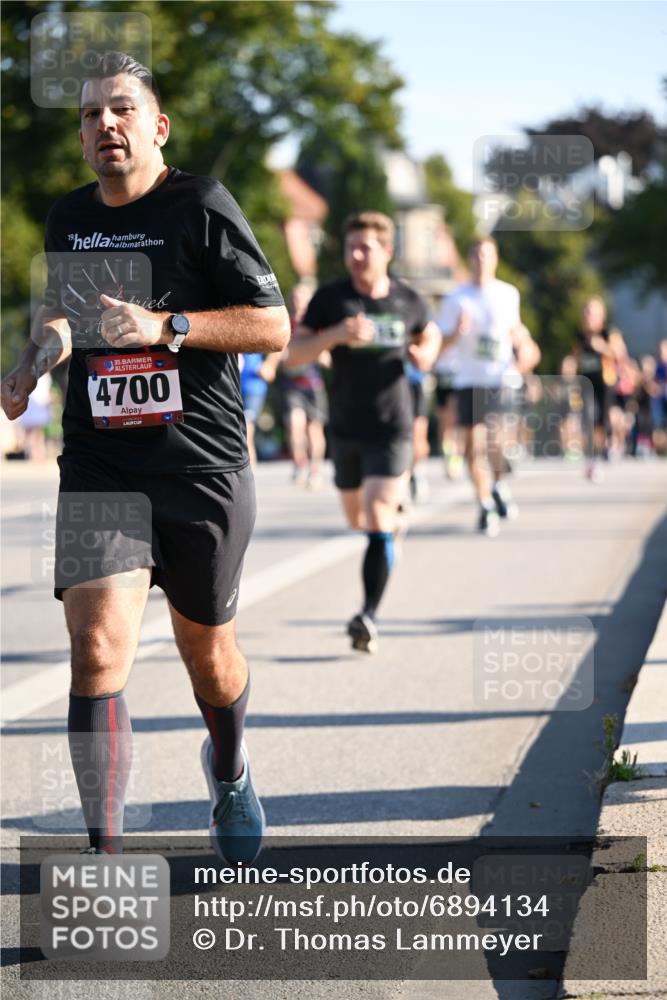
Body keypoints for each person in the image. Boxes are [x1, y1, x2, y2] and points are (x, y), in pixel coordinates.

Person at [0, 52, 290, 863]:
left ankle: (229, 768)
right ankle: (104, 859)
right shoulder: (70, 217)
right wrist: (31, 364)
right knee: (95, 652)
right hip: (103, 462)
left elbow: (272, 328)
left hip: (199, 465)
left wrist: (168, 328)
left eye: (120, 110)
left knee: (209, 655)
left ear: (157, 126)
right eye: (90, 115)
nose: (104, 126)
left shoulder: (200, 205)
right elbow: (65, 318)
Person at [286, 211, 441, 653]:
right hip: (346, 425)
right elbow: (295, 355)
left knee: (374, 515)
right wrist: (336, 334)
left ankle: (368, 615)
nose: (356, 255)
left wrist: (423, 353)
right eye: (351, 246)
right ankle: (392, 526)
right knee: (359, 519)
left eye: (366, 248)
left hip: (394, 426)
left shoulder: (408, 299)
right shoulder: (330, 300)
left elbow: (429, 336)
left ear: (387, 252)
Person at [437, 237, 539, 536]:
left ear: (495, 258)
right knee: (473, 447)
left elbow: (516, 332)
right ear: (469, 259)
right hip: (468, 379)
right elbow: (440, 345)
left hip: (500, 378)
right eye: (476, 254)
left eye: (487, 254)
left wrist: (523, 350)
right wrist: (456, 333)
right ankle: (484, 504)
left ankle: (497, 484)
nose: (481, 260)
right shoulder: (456, 298)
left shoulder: (508, 294)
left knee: (497, 444)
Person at [282, 281, 328, 489]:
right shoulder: (286, 324)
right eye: (295, 298)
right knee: (294, 423)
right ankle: (299, 463)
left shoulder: (316, 325)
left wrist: (316, 352)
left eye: (302, 299)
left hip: (313, 384)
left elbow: (328, 356)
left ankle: (315, 469)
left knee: (314, 429)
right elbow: (279, 351)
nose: (298, 302)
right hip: (292, 383)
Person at [572, 296, 617, 481]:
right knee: (588, 418)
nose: (588, 316)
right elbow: (575, 357)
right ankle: (592, 459)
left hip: (604, 383)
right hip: (586, 382)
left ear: (601, 315)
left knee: (602, 422)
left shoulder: (609, 333)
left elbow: (619, 354)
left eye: (592, 312)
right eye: (586, 312)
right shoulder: (579, 336)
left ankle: (604, 449)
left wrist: (602, 347)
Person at [239, 351, 280, 465]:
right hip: (234, 386)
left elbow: (280, 341)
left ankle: (250, 472)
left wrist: (270, 364)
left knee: (246, 430)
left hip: (254, 388)